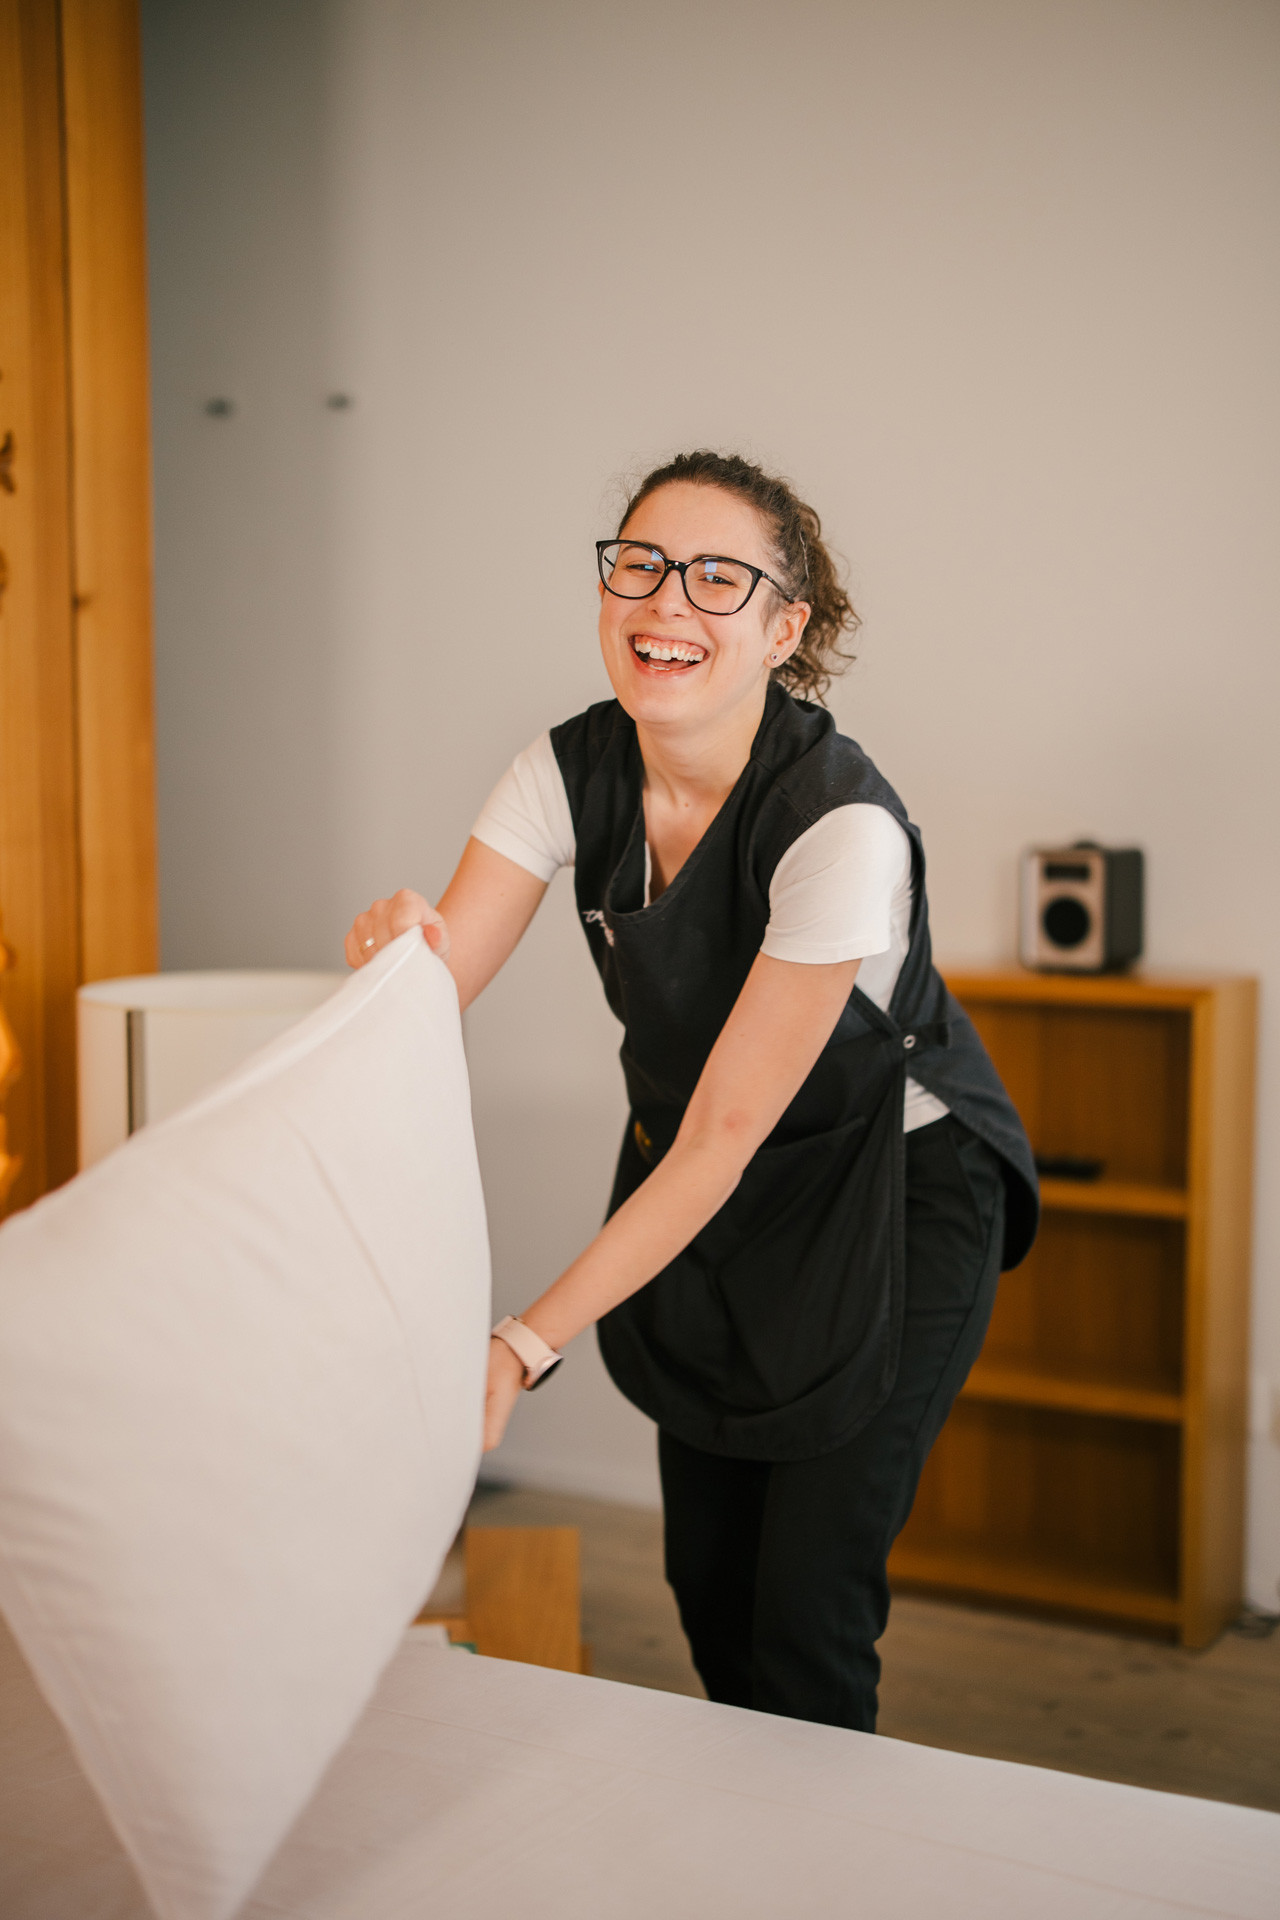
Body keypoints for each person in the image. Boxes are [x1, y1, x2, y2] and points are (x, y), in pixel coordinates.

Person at [345, 449, 1038, 1733]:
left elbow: (724, 1136)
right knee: (709, 1588)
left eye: (720, 578)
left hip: (890, 1193)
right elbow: (437, 987)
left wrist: (517, 1345)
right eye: (640, 564)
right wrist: (399, 962)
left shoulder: (839, 827)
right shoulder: (561, 772)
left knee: (803, 1615)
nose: (667, 602)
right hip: (709, 1193)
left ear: (786, 628)